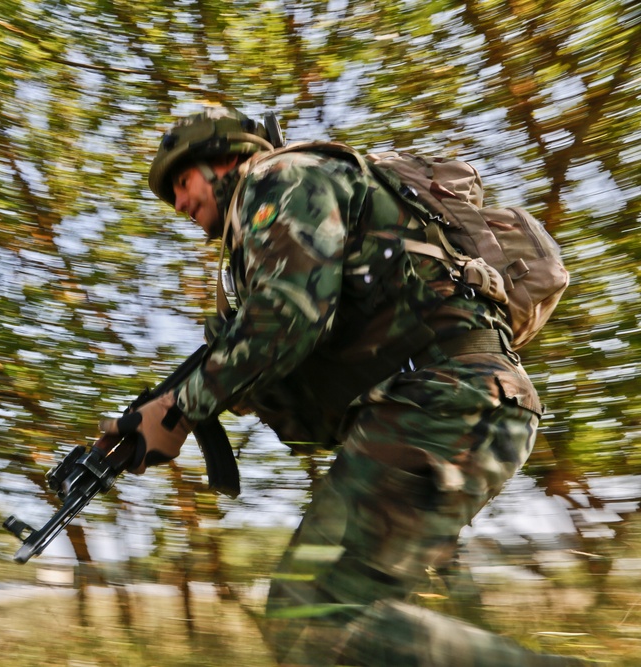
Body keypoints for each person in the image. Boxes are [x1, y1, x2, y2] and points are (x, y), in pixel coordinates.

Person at [98, 107, 588, 666]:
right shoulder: (267, 236)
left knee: (311, 613)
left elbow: (287, 319)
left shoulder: (277, 179)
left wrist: (180, 407)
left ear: (227, 158)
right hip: (453, 406)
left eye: (182, 183)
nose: (180, 205)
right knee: (360, 622)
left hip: (440, 400)